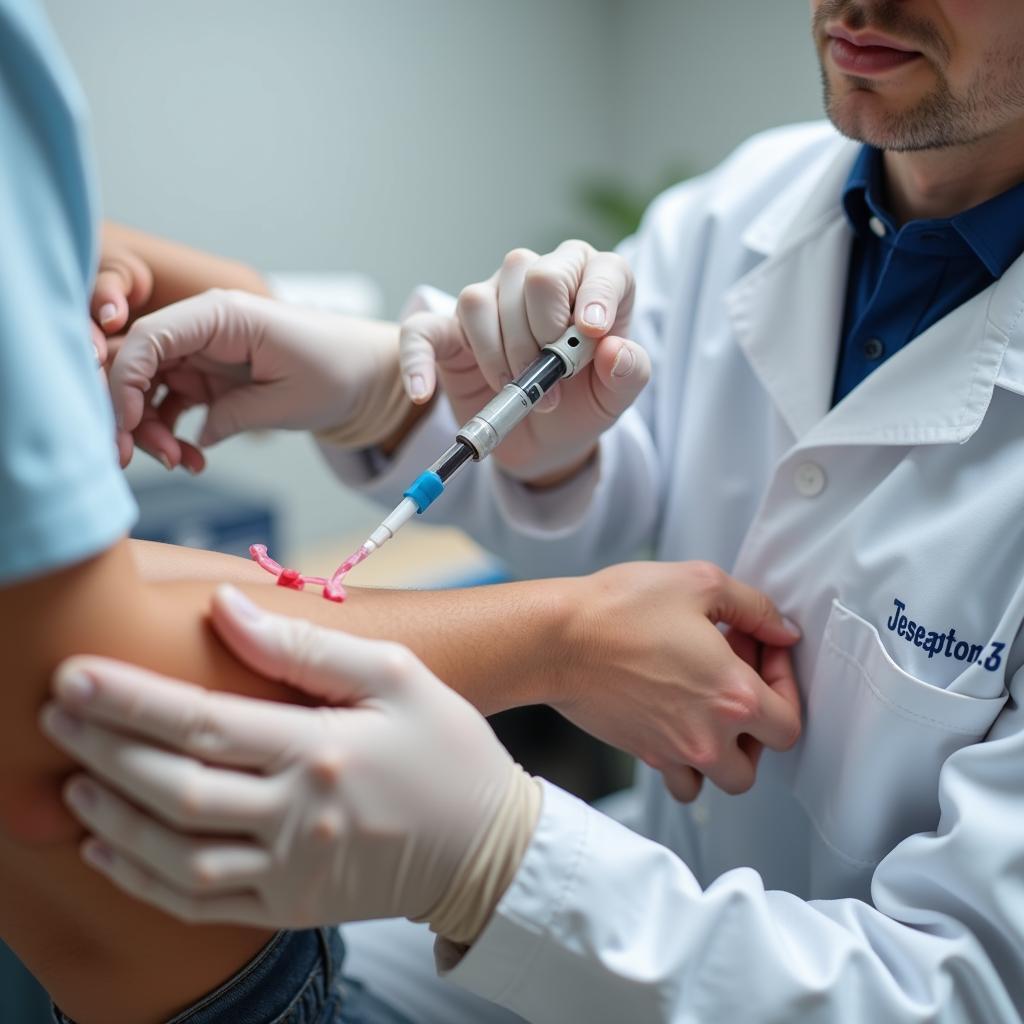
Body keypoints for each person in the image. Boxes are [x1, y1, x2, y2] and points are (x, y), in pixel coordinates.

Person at [48, 0, 1024, 1021]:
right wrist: (387, 395)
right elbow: (613, 483)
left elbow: (959, 993)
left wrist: (496, 860)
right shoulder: (745, 209)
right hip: (637, 908)